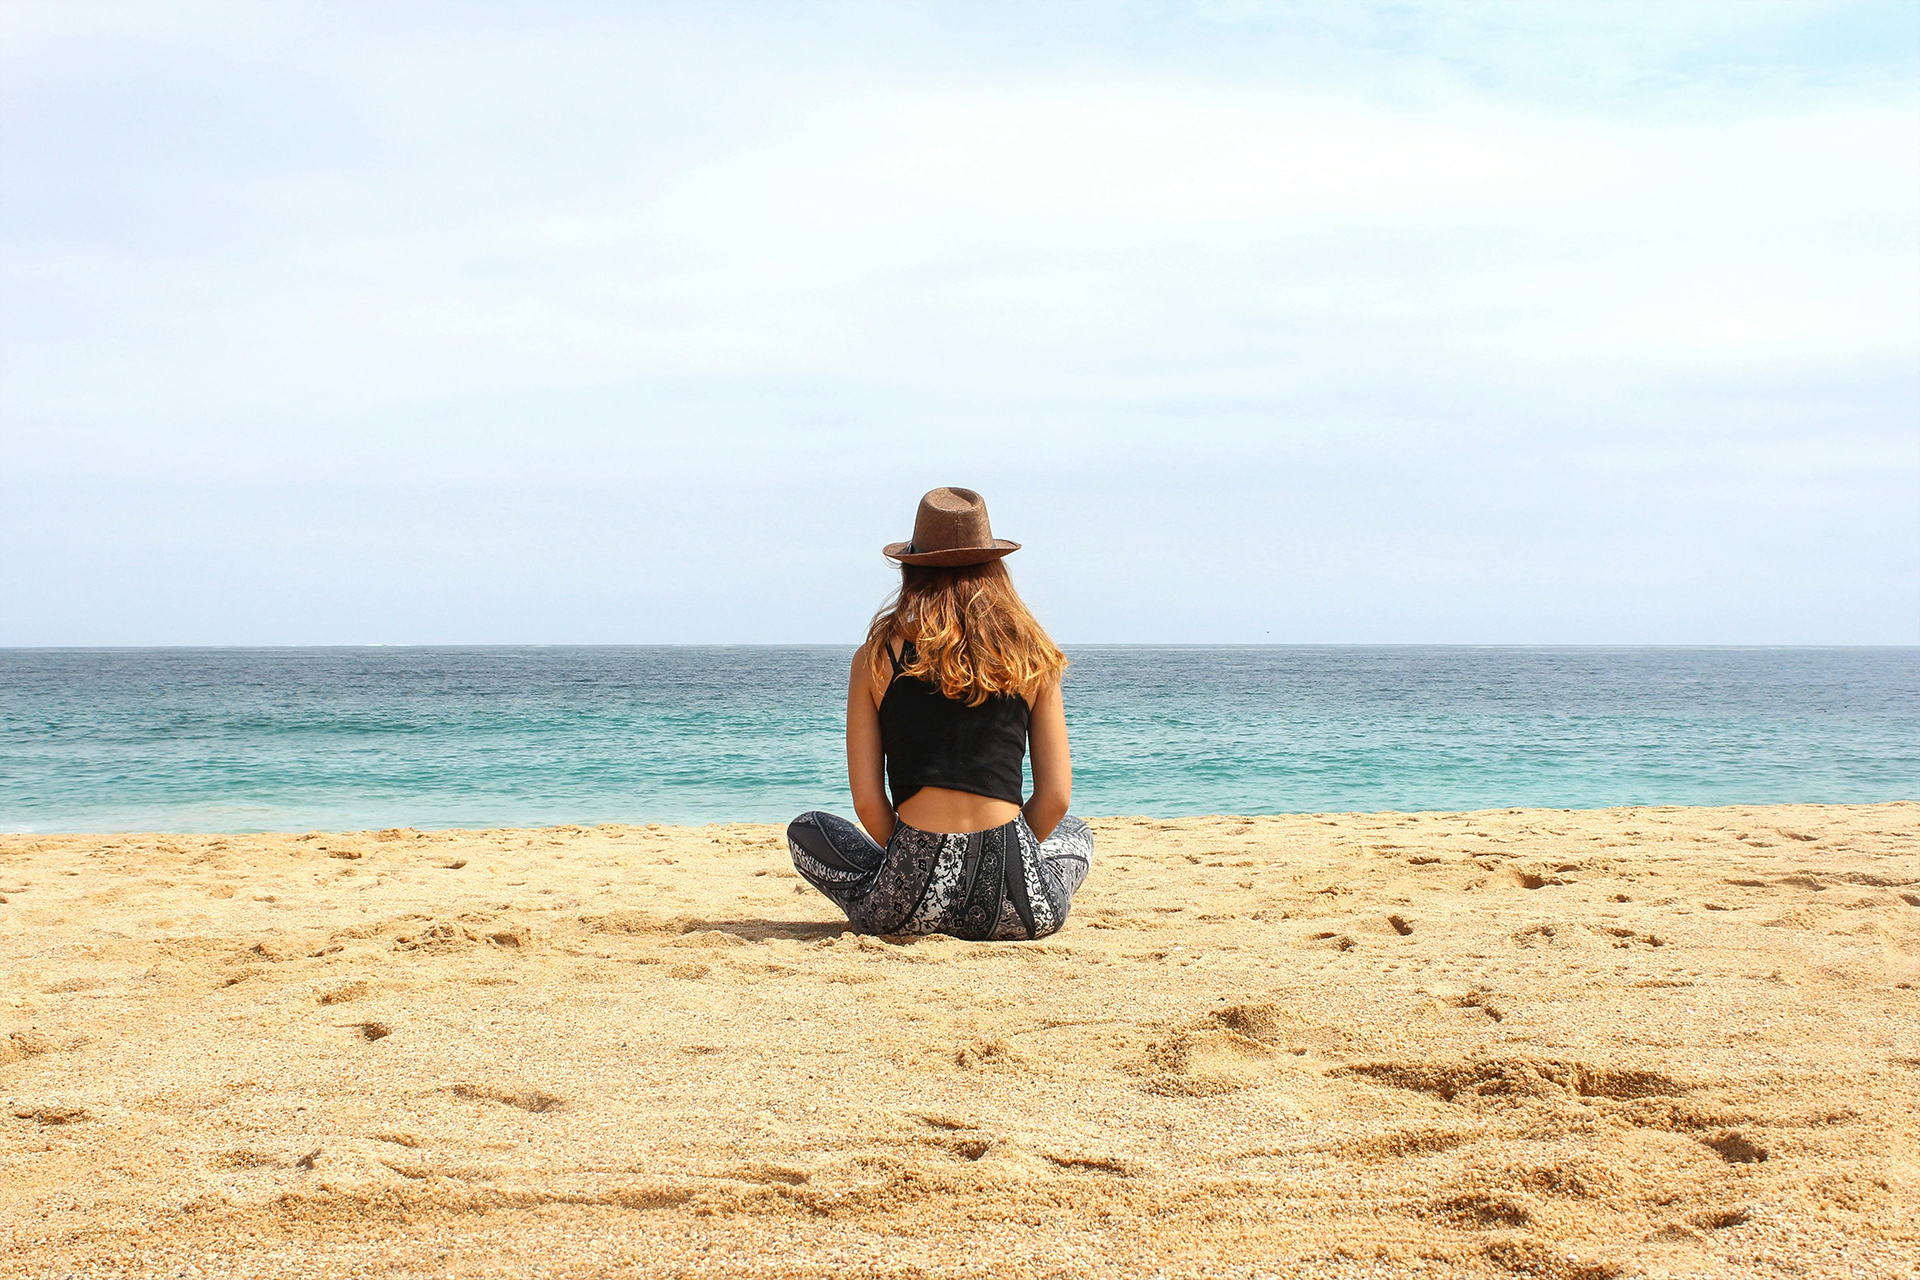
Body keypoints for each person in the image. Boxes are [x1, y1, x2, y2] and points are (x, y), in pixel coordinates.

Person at [786, 487, 1094, 940]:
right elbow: (1056, 800)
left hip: (907, 905)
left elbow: (869, 804)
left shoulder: (875, 658)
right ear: (995, 569)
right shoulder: (1032, 657)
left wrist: (920, 858)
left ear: (912, 569)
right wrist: (1000, 856)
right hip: (1020, 908)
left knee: (807, 829)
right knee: (1076, 832)